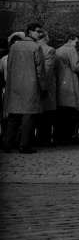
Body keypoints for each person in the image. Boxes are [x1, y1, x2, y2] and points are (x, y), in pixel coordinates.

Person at [3, 23, 47, 154]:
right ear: (30, 32)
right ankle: (24, 145)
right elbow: (40, 70)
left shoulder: (14, 47)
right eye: (38, 31)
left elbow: (9, 67)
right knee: (28, 116)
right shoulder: (36, 47)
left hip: (15, 85)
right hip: (30, 86)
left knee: (14, 116)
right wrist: (43, 87)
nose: (40, 34)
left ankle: (7, 144)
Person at [53, 33, 79, 145]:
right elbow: (77, 66)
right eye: (76, 42)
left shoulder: (58, 50)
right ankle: (66, 137)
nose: (77, 45)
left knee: (60, 114)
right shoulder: (71, 50)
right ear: (70, 41)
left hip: (60, 84)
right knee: (69, 113)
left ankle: (58, 137)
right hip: (69, 84)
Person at [33, 29, 57, 148]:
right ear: (46, 38)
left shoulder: (33, 47)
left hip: (34, 84)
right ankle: (45, 139)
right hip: (47, 86)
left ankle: (35, 138)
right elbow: (47, 70)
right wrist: (44, 87)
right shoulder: (50, 50)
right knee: (48, 114)